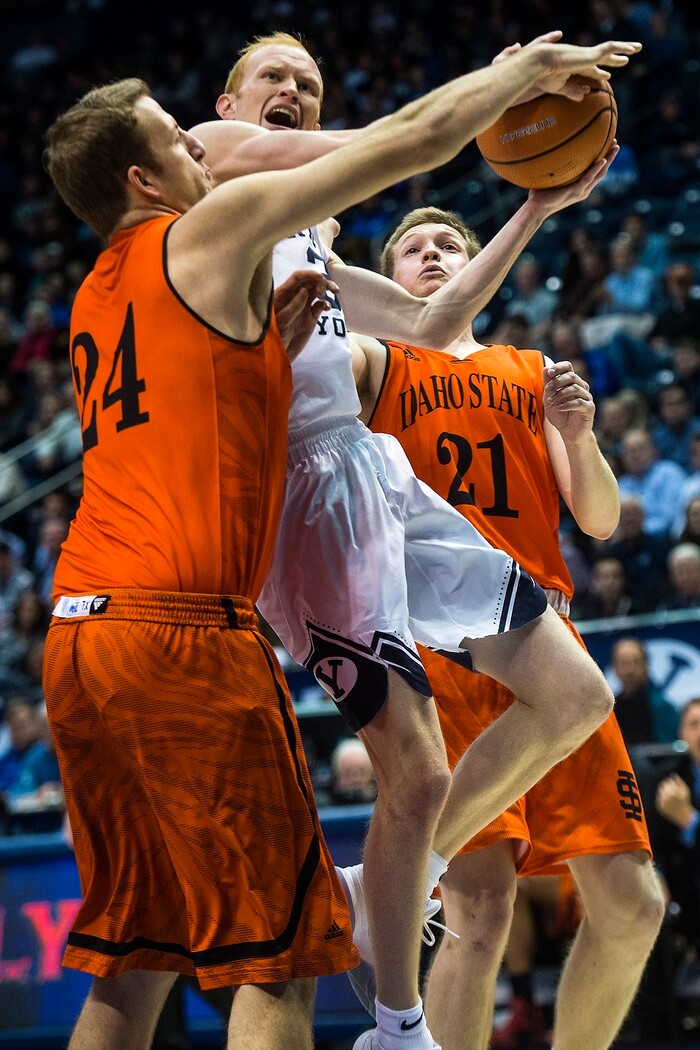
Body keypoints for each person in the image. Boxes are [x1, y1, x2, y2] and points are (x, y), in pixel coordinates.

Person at [42, 39, 642, 1050]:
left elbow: (421, 318)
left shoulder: (192, 262)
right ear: (211, 118)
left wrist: (535, 208)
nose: (292, 91)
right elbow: (398, 141)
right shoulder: (226, 179)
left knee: (574, 697)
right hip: (256, 543)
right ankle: (398, 1020)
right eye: (271, 77)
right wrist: (513, 75)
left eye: (309, 80)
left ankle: (384, 893)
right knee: (335, 877)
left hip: (317, 496)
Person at [344, 205, 663, 1050]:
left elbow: (596, 520)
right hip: (442, 655)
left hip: (546, 642)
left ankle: (382, 893)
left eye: (449, 242)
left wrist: (580, 434)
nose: (434, 255)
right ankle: (389, 900)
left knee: (634, 903)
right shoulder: (375, 365)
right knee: (480, 908)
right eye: (411, 249)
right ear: (388, 282)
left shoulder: (530, 370)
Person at [610, 637, 679, 747]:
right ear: (614, 668)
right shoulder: (609, 711)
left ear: (646, 667)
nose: (630, 670)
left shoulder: (662, 707)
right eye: (624, 663)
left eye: (636, 662)